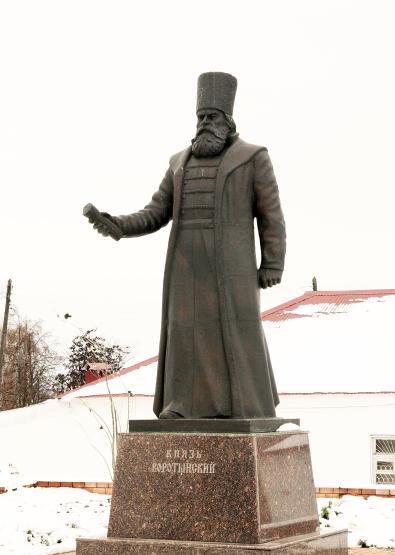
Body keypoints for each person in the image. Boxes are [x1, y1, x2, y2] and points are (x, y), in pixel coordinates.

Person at [85, 72, 286, 419]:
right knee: (184, 335)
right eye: (201, 117)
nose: (205, 123)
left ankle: (242, 406)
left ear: (228, 121)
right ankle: (179, 406)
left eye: (213, 117)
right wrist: (118, 225)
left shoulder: (253, 157)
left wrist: (272, 263)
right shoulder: (179, 163)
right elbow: (155, 213)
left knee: (234, 333)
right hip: (186, 264)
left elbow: (272, 215)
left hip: (233, 265)